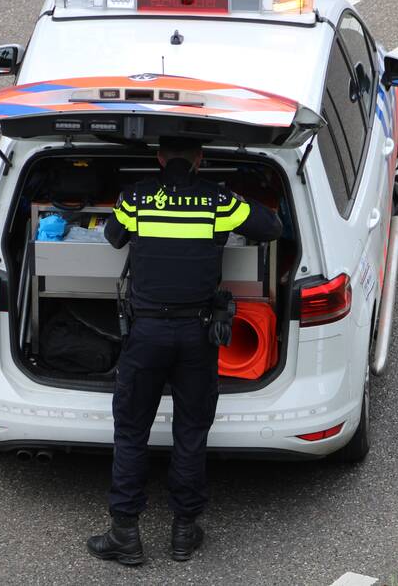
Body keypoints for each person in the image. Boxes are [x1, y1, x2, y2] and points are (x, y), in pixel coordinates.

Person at [87, 136, 282, 565]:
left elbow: (113, 237)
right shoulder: (217, 200)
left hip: (146, 334)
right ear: (200, 158)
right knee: (191, 432)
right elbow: (271, 228)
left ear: (160, 157)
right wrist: (237, 202)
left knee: (131, 431)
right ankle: (183, 531)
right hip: (198, 334)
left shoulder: (136, 198)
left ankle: (125, 533)